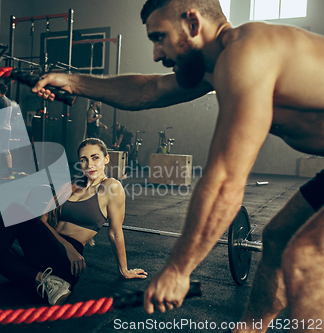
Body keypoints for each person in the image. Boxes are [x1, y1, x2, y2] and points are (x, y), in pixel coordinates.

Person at [31, 0, 324, 330]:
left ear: (193, 23)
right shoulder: (216, 65)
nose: (157, 53)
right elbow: (148, 89)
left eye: (160, 37)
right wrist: (75, 83)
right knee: (278, 238)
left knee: (306, 258)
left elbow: (226, 180)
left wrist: (179, 268)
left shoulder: (246, 55)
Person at [0, 138, 148, 307]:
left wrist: (124, 270)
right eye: (84, 160)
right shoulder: (72, 185)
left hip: (67, 264)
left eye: (95, 158)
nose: (89, 164)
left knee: (16, 211)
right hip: (50, 252)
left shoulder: (112, 187)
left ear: (106, 159)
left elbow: (116, 233)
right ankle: (45, 281)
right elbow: (43, 220)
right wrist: (62, 242)